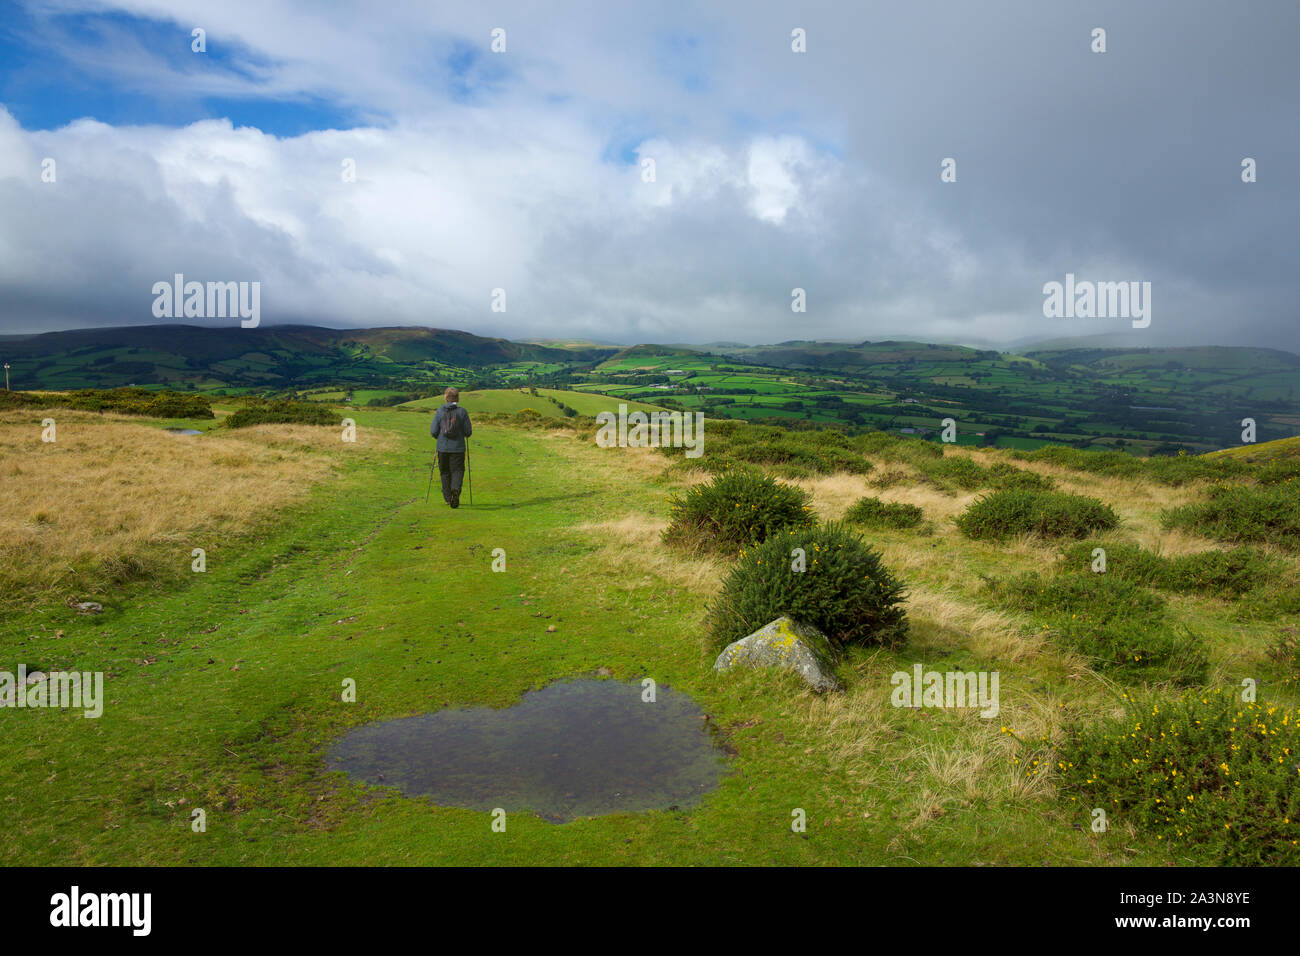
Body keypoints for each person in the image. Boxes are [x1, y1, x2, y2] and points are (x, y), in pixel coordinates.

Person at [430, 387, 472, 508]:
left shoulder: (439, 412)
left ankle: (448, 498)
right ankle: (455, 490)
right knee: (458, 471)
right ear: (457, 398)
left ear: (445, 397)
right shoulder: (462, 412)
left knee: (444, 472)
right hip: (458, 448)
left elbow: (433, 432)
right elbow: (468, 432)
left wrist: (440, 438)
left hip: (442, 448)